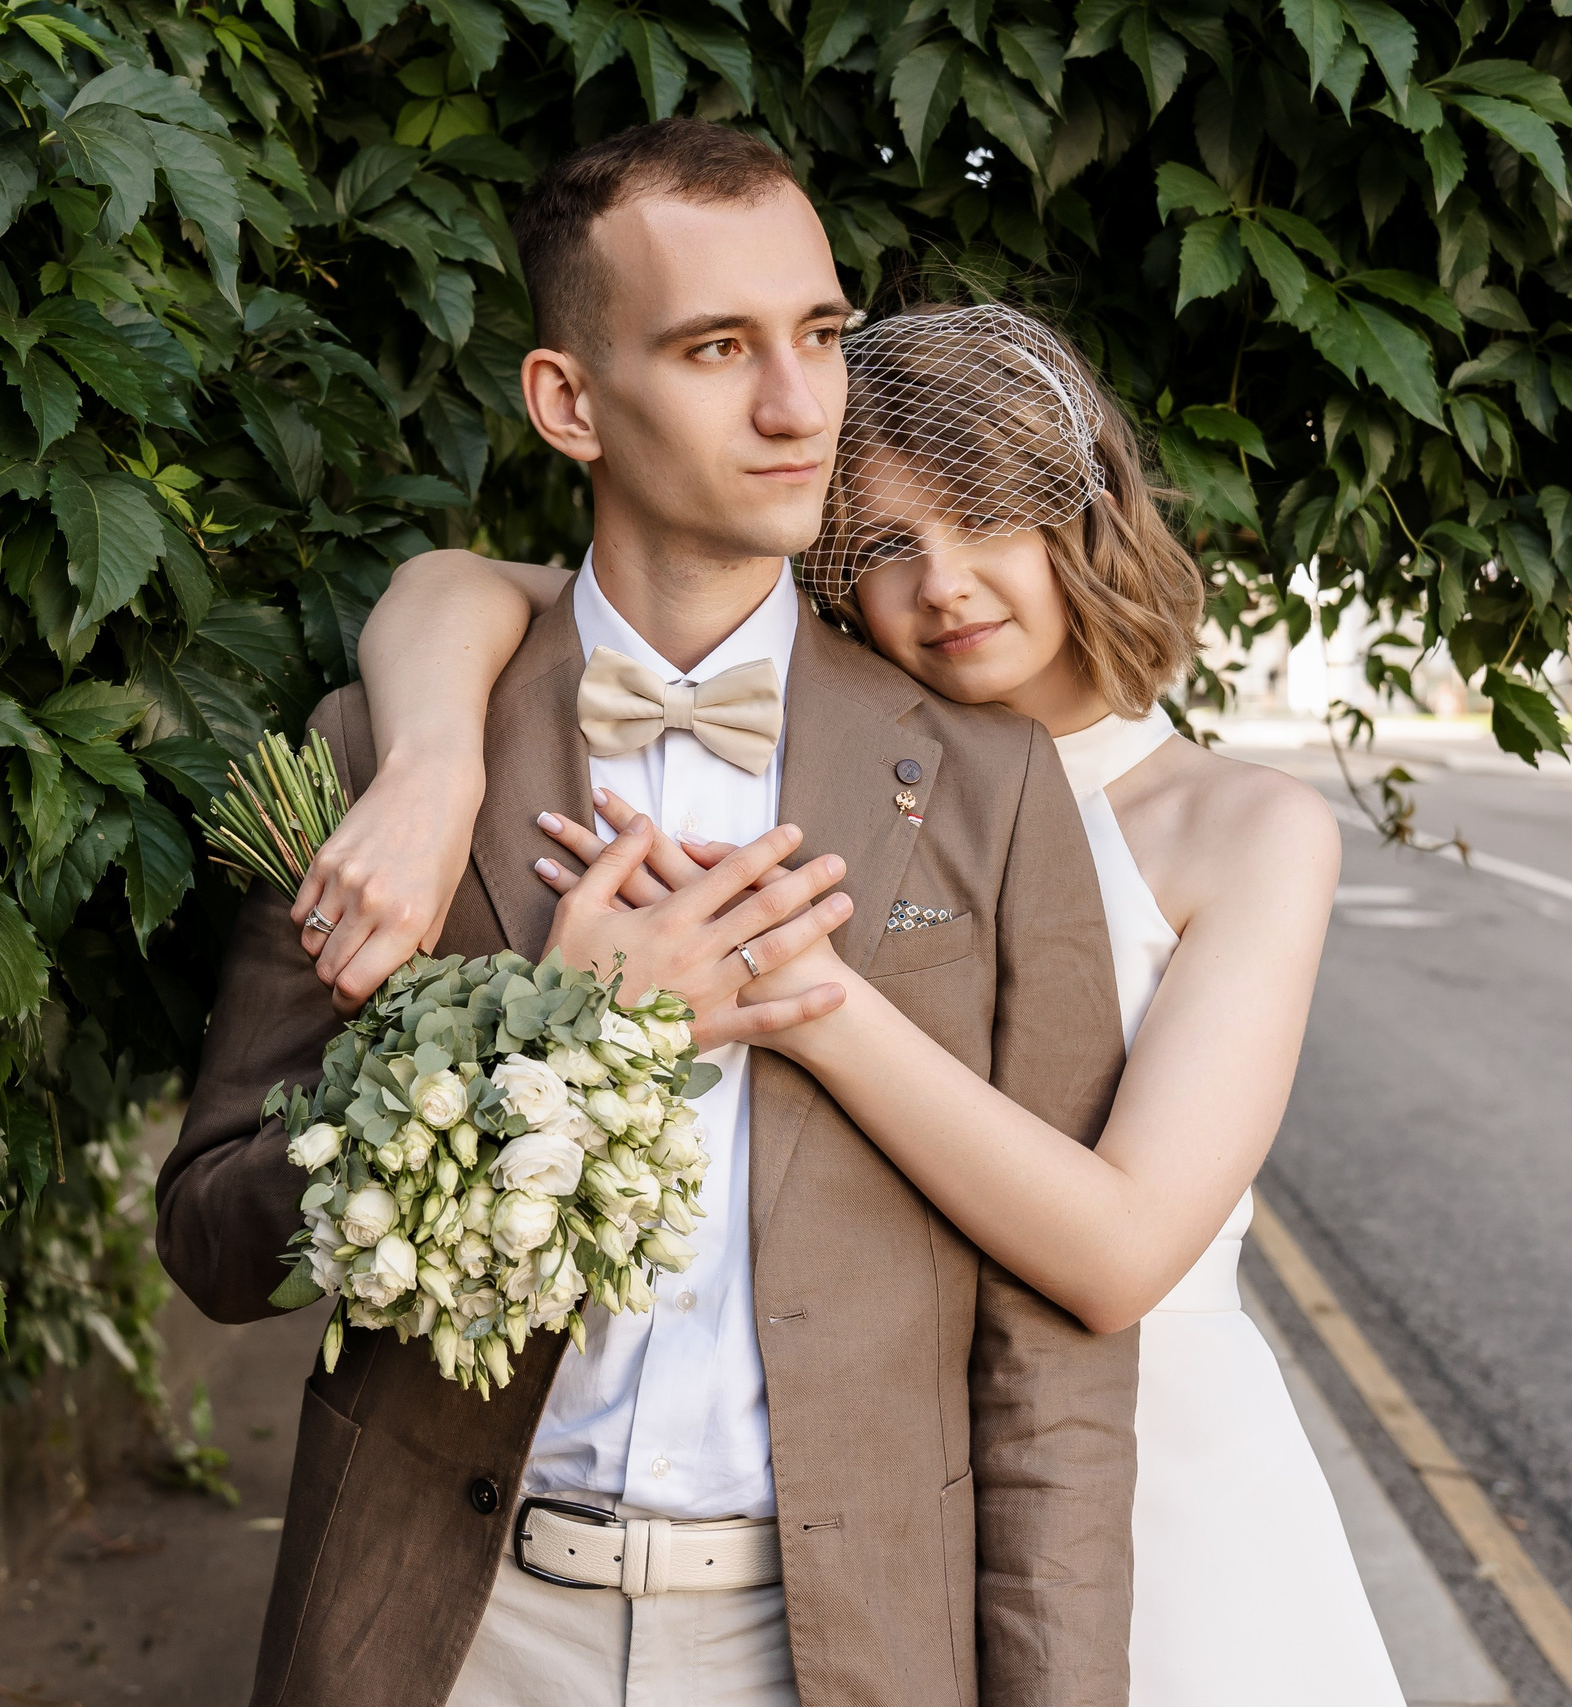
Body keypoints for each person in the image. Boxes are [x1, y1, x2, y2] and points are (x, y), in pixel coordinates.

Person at [297, 295, 1406, 1705]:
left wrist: (809, 997)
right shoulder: (851, 774)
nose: (942, 584)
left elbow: (1122, 1253)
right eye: (881, 544)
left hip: (1157, 1493)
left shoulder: (1242, 829)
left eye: (989, 517)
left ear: (1088, 511)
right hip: (885, 1511)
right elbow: (452, 587)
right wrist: (437, 761)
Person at [160, 119, 1142, 1707]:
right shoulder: (386, 758)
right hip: (451, 1635)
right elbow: (216, 1243)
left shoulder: (989, 780)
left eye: (820, 335)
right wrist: (553, 1047)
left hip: (840, 1644)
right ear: (569, 402)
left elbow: (1055, 1371)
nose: (799, 402)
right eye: (716, 349)